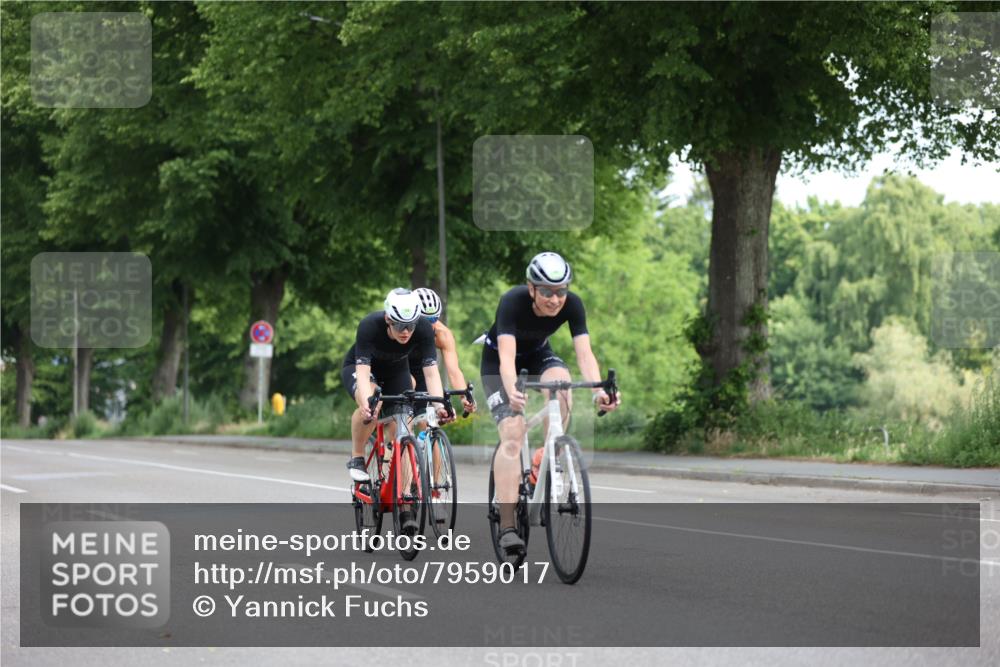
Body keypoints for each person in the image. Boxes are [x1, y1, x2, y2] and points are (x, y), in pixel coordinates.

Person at [480, 252, 621, 554]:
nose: (555, 300)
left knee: (562, 384)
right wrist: (512, 390)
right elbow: (506, 357)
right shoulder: (512, 301)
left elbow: (584, 354)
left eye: (561, 291)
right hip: (499, 362)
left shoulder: (573, 304)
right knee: (513, 433)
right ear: (531, 288)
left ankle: (544, 457)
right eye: (546, 292)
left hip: (538, 354)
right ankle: (507, 525)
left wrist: (598, 391)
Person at [341, 288, 450, 531]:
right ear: (388, 319)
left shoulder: (423, 328)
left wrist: (439, 405)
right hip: (363, 369)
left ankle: (406, 503)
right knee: (373, 402)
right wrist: (367, 402)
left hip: (396, 371)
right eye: (400, 325)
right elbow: (362, 373)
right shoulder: (370, 326)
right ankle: (357, 457)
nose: (405, 332)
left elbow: (431, 374)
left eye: (410, 326)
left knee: (404, 430)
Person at [409, 287, 476, 415]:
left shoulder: (442, 334)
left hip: (423, 370)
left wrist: (464, 397)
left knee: (426, 419)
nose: (430, 325)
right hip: (399, 367)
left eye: (434, 319)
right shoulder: (402, 331)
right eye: (425, 320)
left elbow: (454, 371)